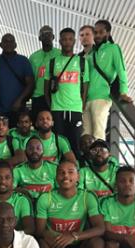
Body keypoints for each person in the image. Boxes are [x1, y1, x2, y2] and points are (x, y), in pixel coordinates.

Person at [44, 28, 89, 161]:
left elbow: (85, 86)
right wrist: (51, 105)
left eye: (70, 39)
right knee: (58, 145)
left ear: (74, 41)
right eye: (64, 39)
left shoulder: (82, 62)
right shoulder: (52, 62)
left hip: (75, 110)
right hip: (57, 110)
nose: (67, 42)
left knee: (75, 144)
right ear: (60, 41)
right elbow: (46, 89)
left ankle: (75, 171)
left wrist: (82, 105)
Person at [83, 20, 132, 140]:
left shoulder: (113, 48)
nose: (98, 35)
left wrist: (123, 92)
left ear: (108, 33)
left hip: (102, 98)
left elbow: (122, 71)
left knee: (98, 135)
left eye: (101, 32)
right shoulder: (91, 53)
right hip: (86, 99)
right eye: (95, 32)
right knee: (85, 137)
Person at [0, 34, 34, 121]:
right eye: (5, 41)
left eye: (11, 41)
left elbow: (30, 84)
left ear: (15, 45)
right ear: (1, 45)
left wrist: (19, 100)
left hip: (18, 108)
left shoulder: (23, 61)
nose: (8, 44)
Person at [29, 25, 61, 121]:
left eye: (49, 34)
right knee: (38, 123)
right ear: (39, 38)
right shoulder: (33, 57)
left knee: (55, 123)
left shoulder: (60, 54)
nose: (47, 36)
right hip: (38, 96)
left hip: (56, 95)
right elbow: (31, 79)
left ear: (53, 37)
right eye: (44, 34)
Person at [13, 137, 58, 201]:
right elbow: (9, 190)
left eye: (38, 148)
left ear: (43, 152)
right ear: (25, 152)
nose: (34, 151)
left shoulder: (54, 168)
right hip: (27, 202)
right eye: (30, 148)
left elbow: (61, 190)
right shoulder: (18, 170)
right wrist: (20, 191)